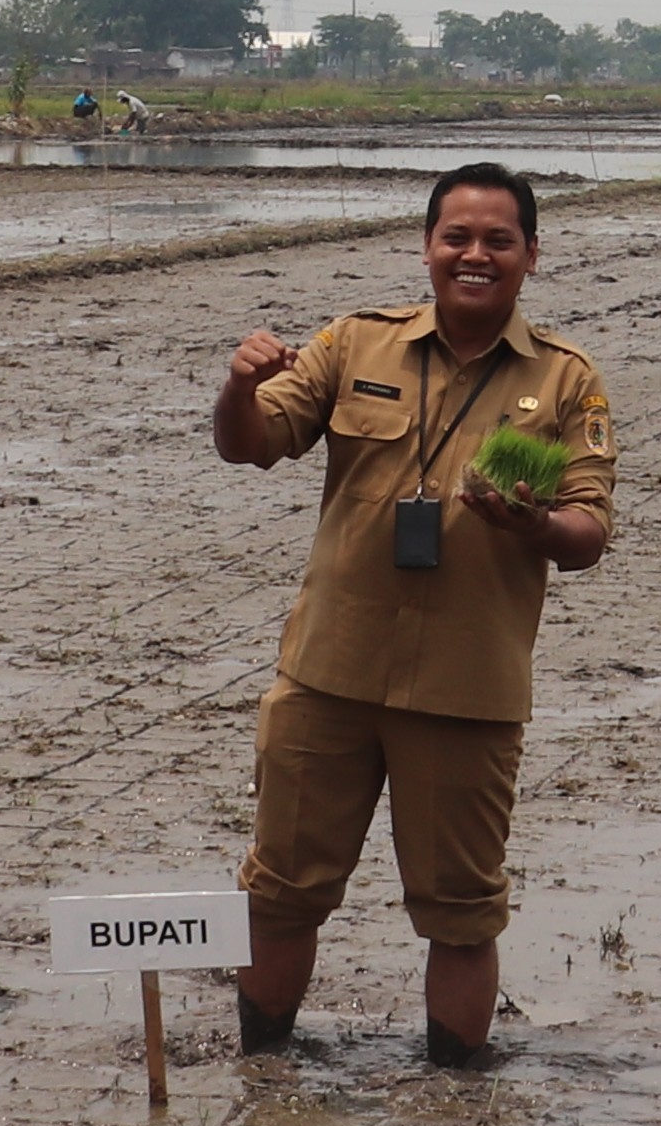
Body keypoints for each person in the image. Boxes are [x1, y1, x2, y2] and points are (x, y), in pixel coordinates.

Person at [208, 162, 619, 1066]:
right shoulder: (356, 343)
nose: (475, 256)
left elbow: (590, 530)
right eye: (456, 238)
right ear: (428, 248)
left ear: (531, 257)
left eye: (497, 241)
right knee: (281, 892)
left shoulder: (564, 380)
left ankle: (455, 1094)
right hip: (328, 678)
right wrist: (240, 386)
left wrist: (533, 521)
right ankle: (262, 1072)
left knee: (462, 910)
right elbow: (251, 445)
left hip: (467, 693)